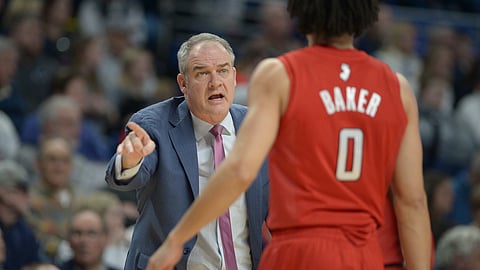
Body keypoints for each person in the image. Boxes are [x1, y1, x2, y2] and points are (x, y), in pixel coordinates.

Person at [147, 1, 432, 270]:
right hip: (366, 254)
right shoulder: (398, 88)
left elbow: (240, 170)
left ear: (301, 10)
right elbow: (413, 202)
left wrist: (176, 239)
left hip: (300, 249)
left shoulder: (280, 74)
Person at [104, 33, 269, 269]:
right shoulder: (154, 124)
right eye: (202, 73)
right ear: (183, 83)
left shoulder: (256, 126)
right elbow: (125, 178)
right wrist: (130, 160)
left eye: (222, 71)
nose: (215, 82)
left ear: (234, 77)